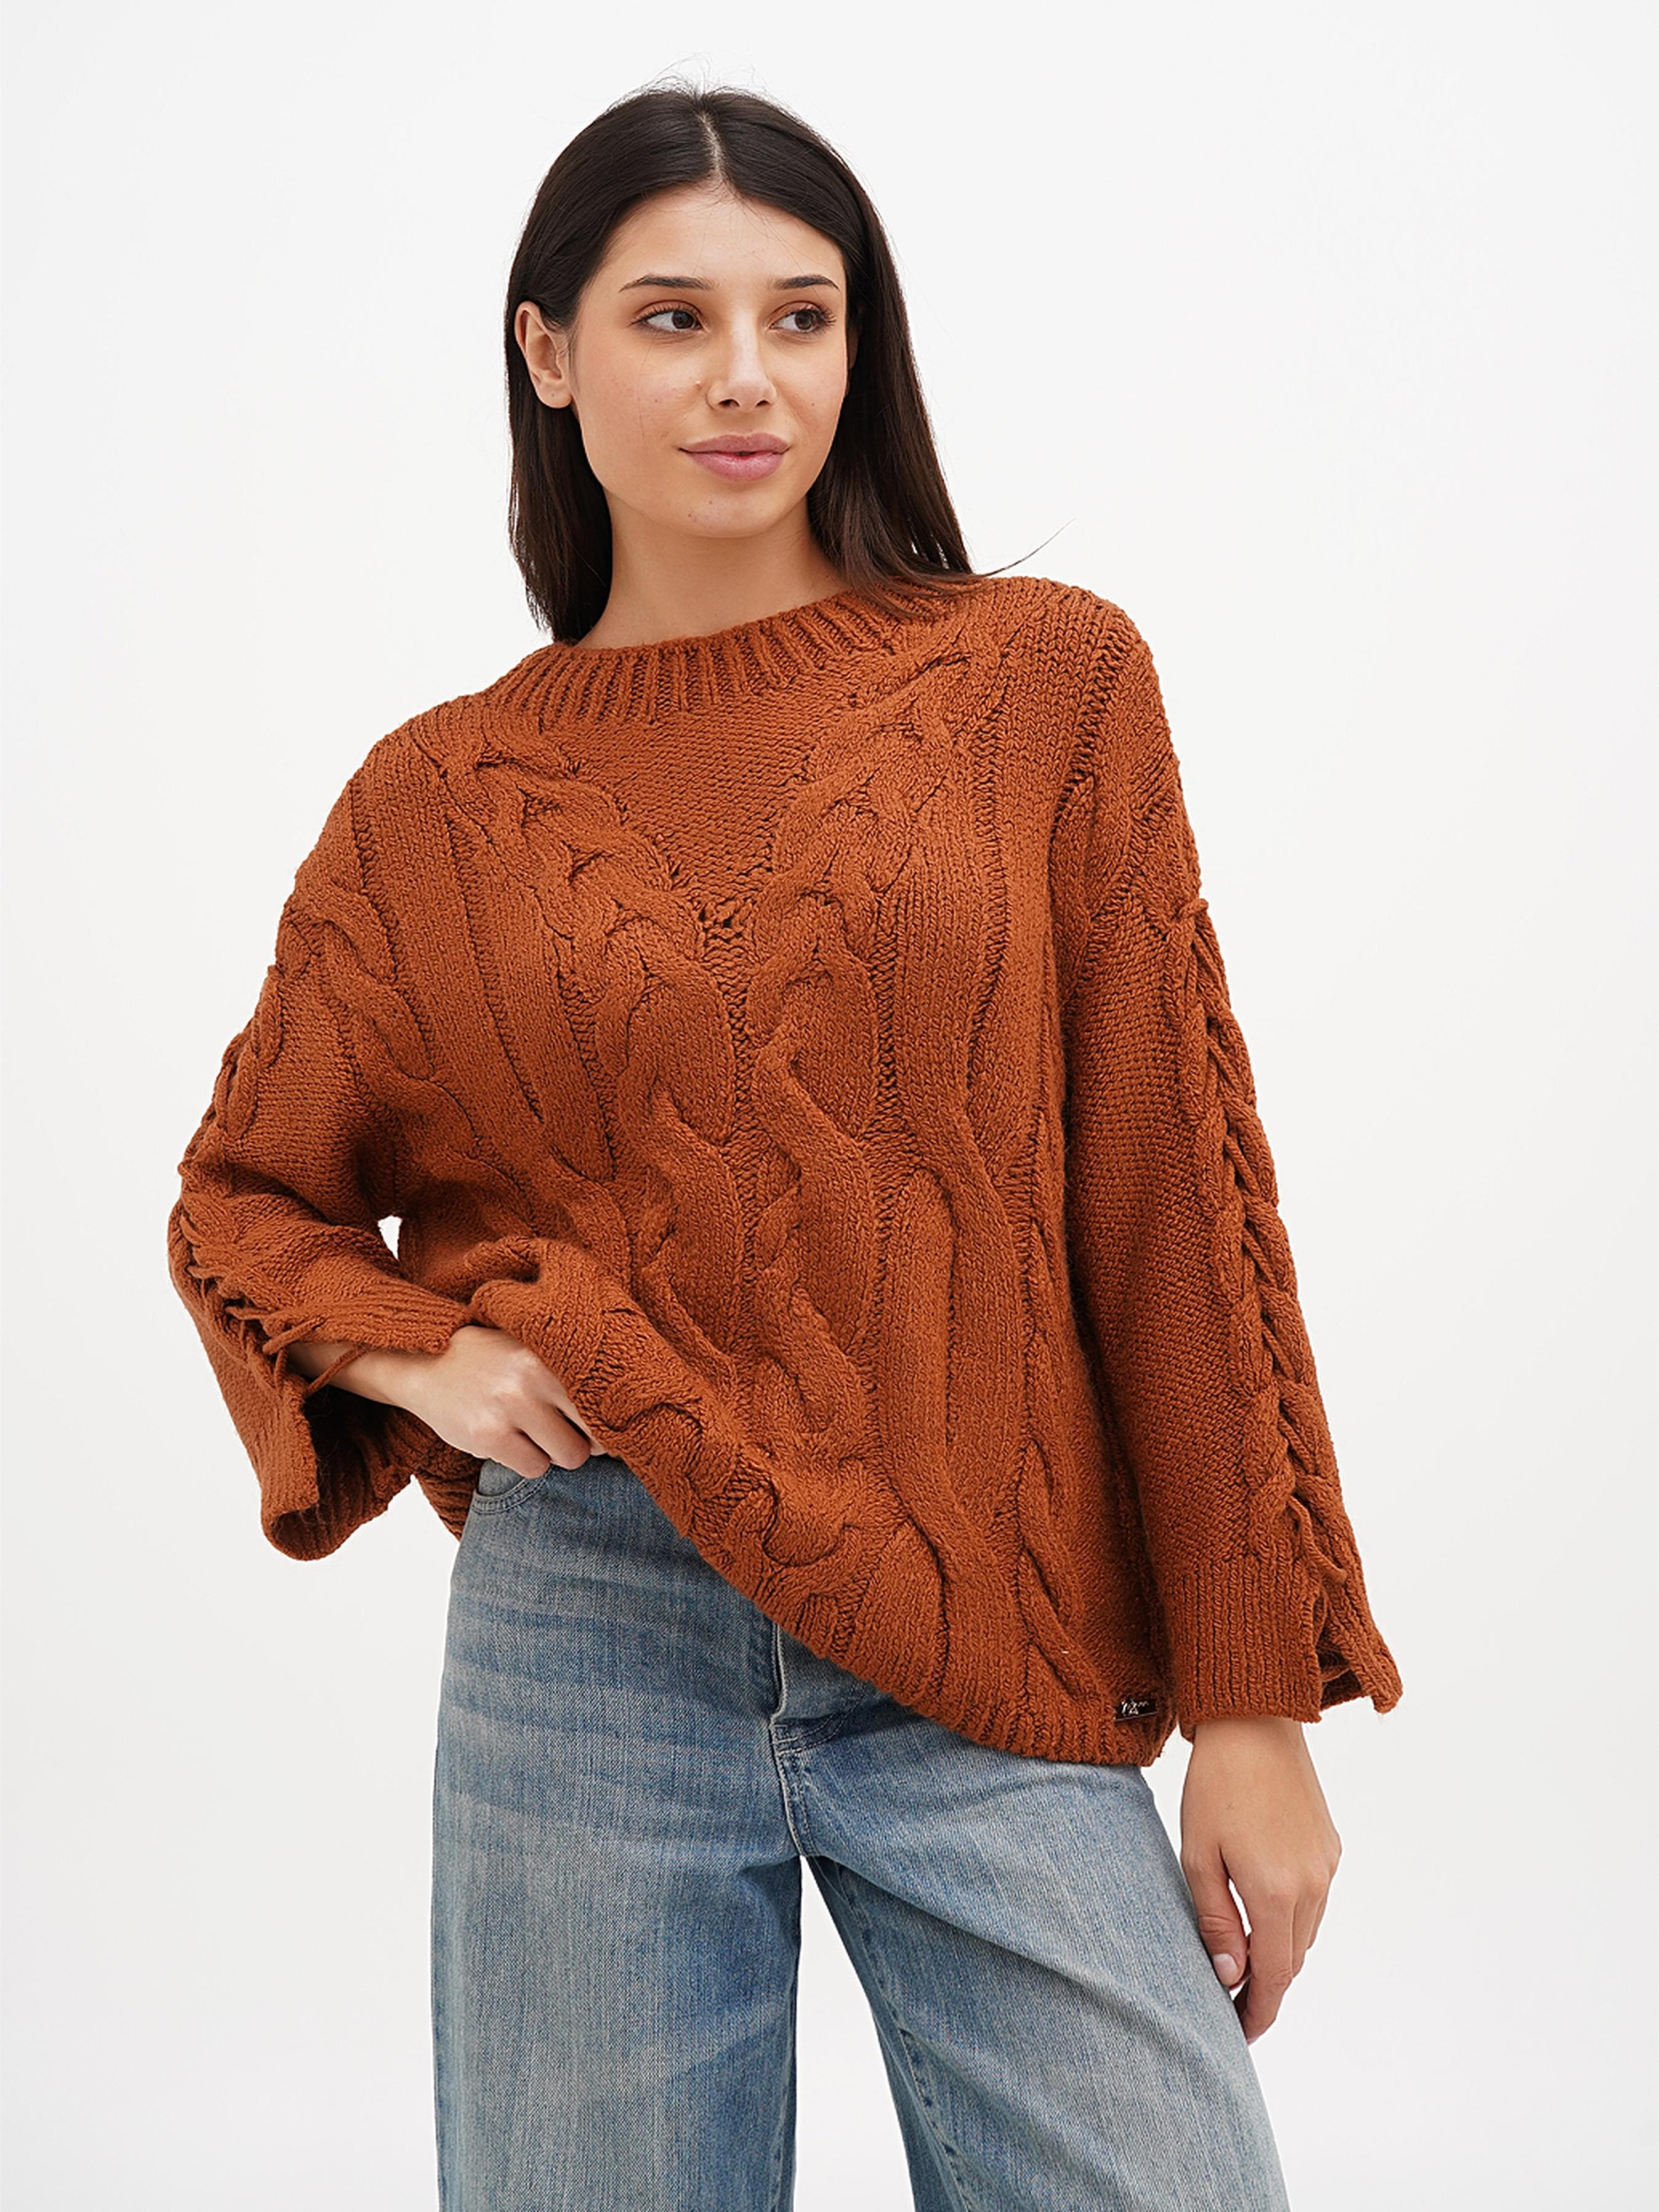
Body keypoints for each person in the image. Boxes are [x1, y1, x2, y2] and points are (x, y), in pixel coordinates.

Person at [167, 81, 1403, 2211]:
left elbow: (1169, 1209)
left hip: (987, 1608)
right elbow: (241, 1198)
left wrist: (1251, 1706)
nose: (747, 374)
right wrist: (416, 1351)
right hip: (591, 1619)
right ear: (548, 352)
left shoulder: (1041, 684)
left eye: (801, 316)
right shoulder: (435, 801)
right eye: (673, 317)